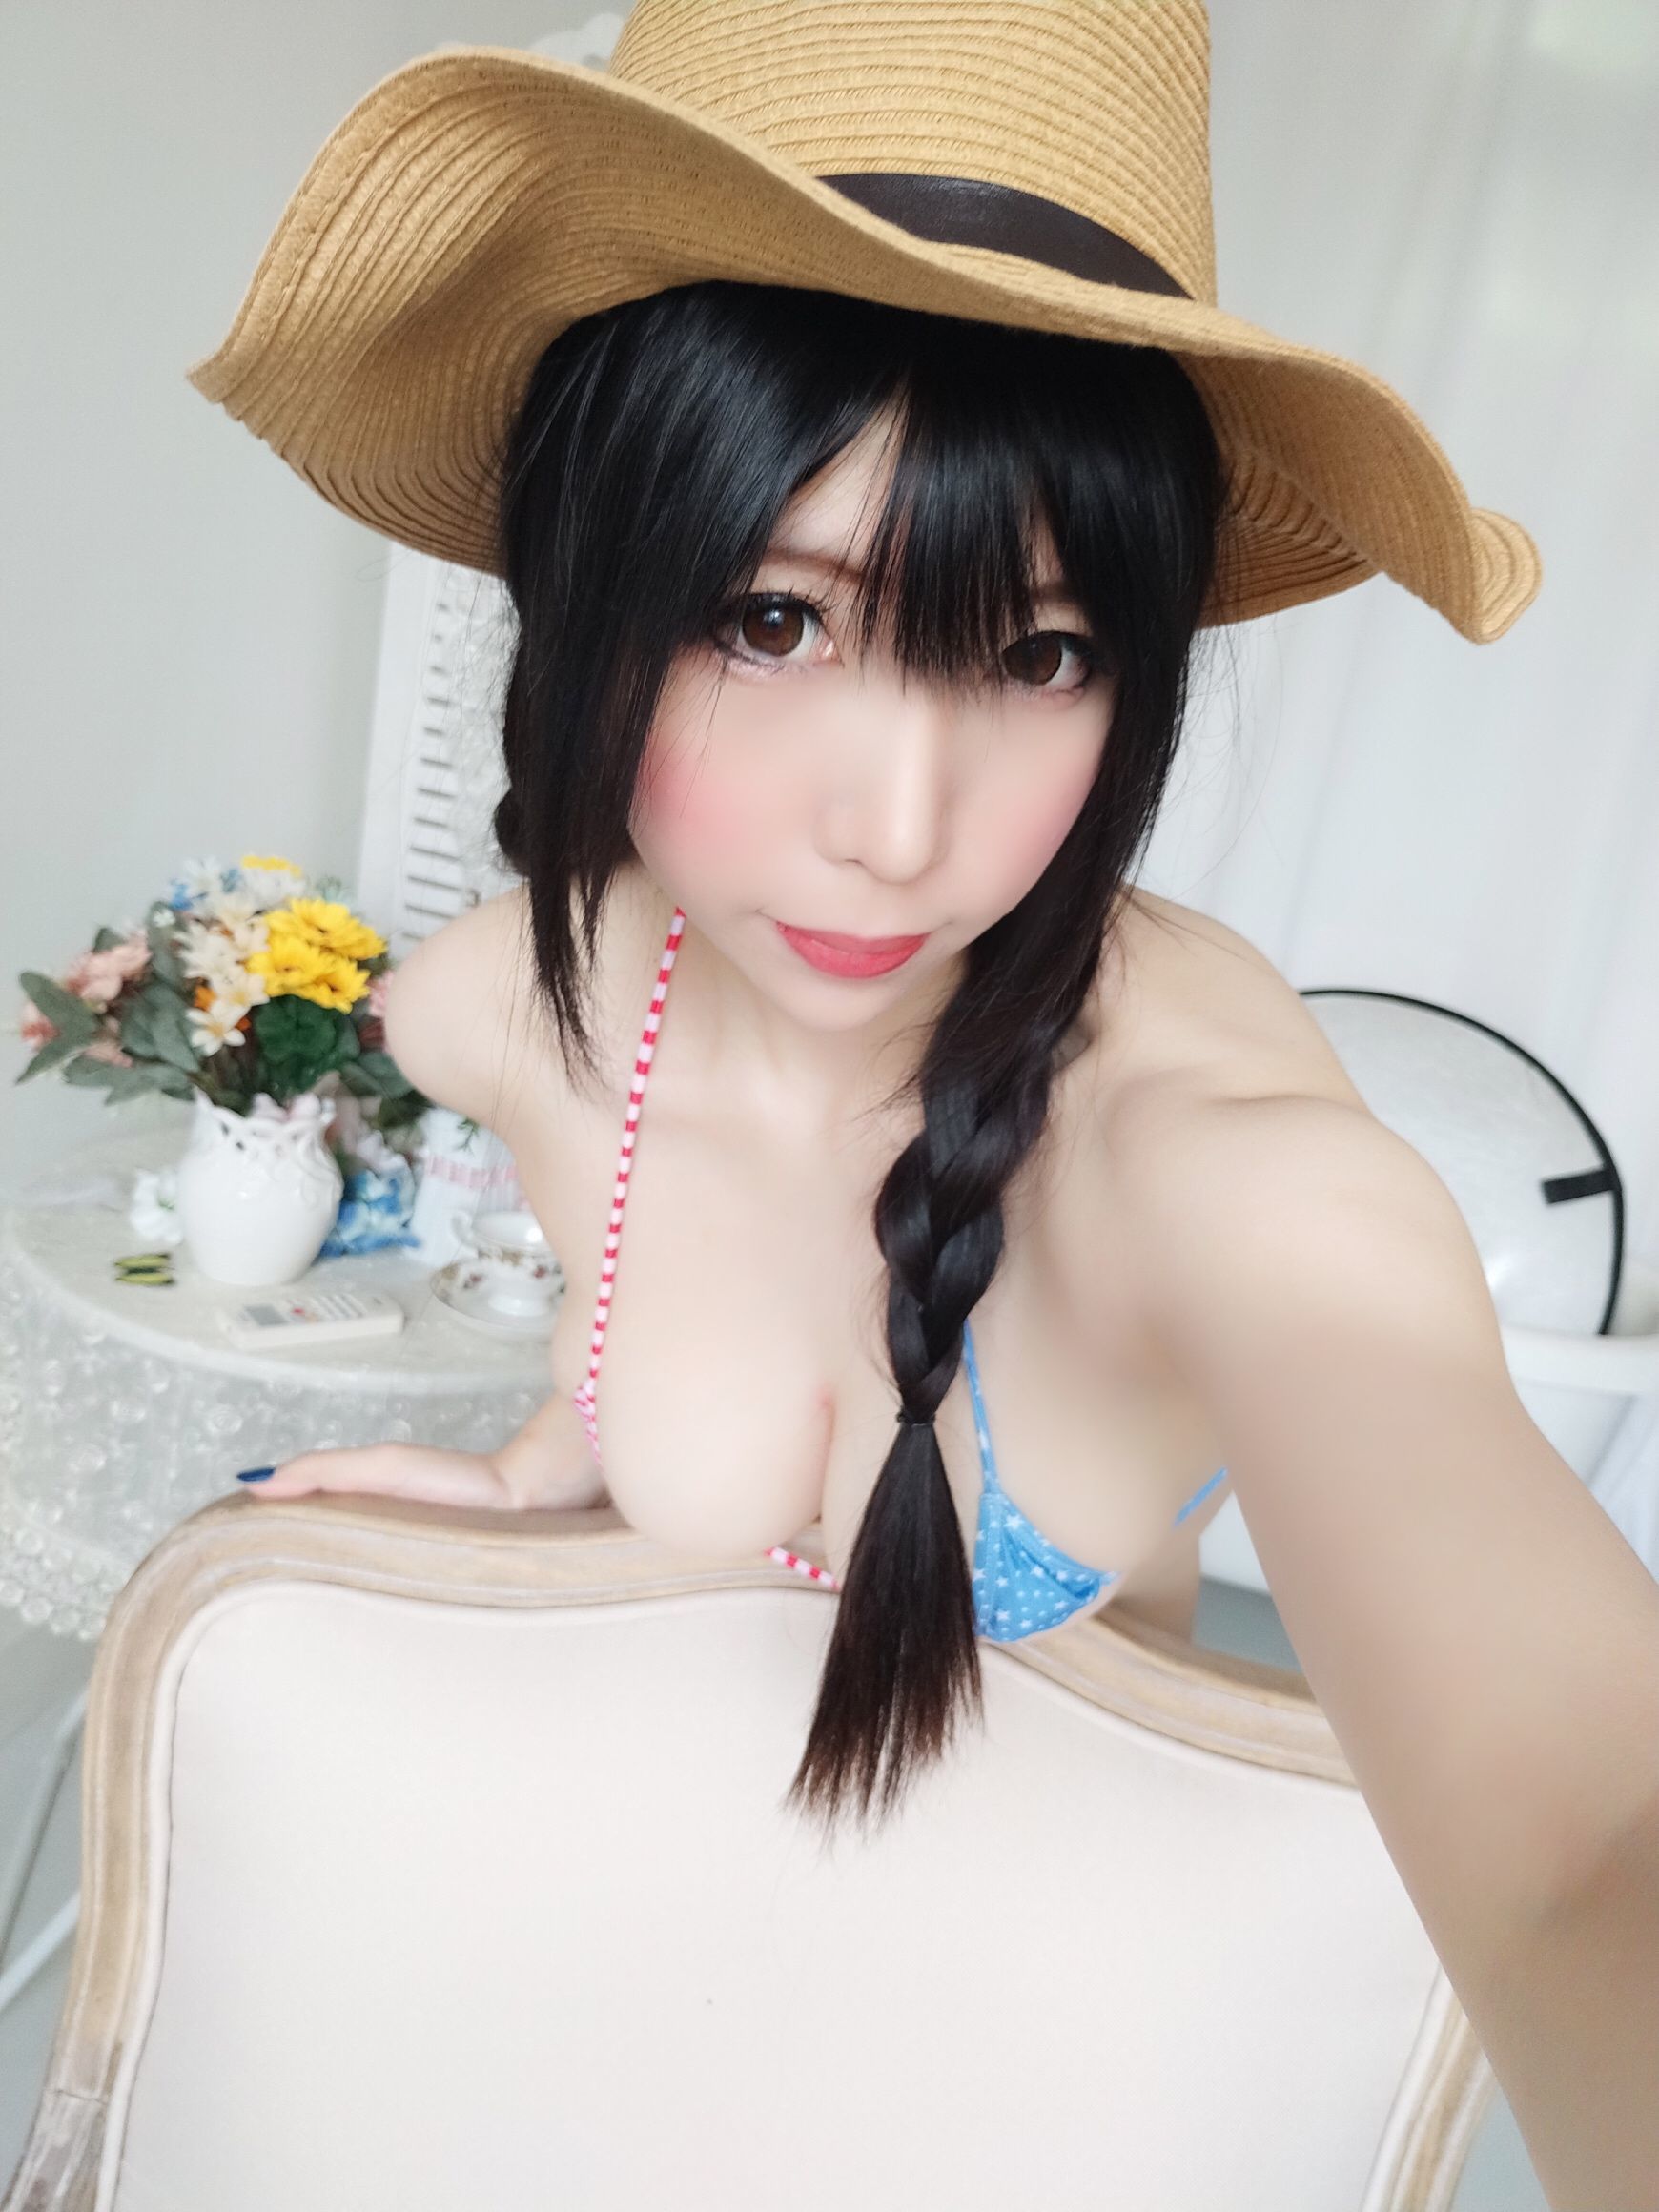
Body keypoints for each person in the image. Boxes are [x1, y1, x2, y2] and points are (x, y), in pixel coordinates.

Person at [194, 4, 1659, 2196]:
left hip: (1038, 2087)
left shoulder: (1196, 1130)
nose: (897, 828)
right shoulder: (507, 1005)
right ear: (594, 580)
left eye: (1040, 652)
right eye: (774, 619)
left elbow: (1590, 1839)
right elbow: (646, 1318)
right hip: (644, 2018)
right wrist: (528, 1480)